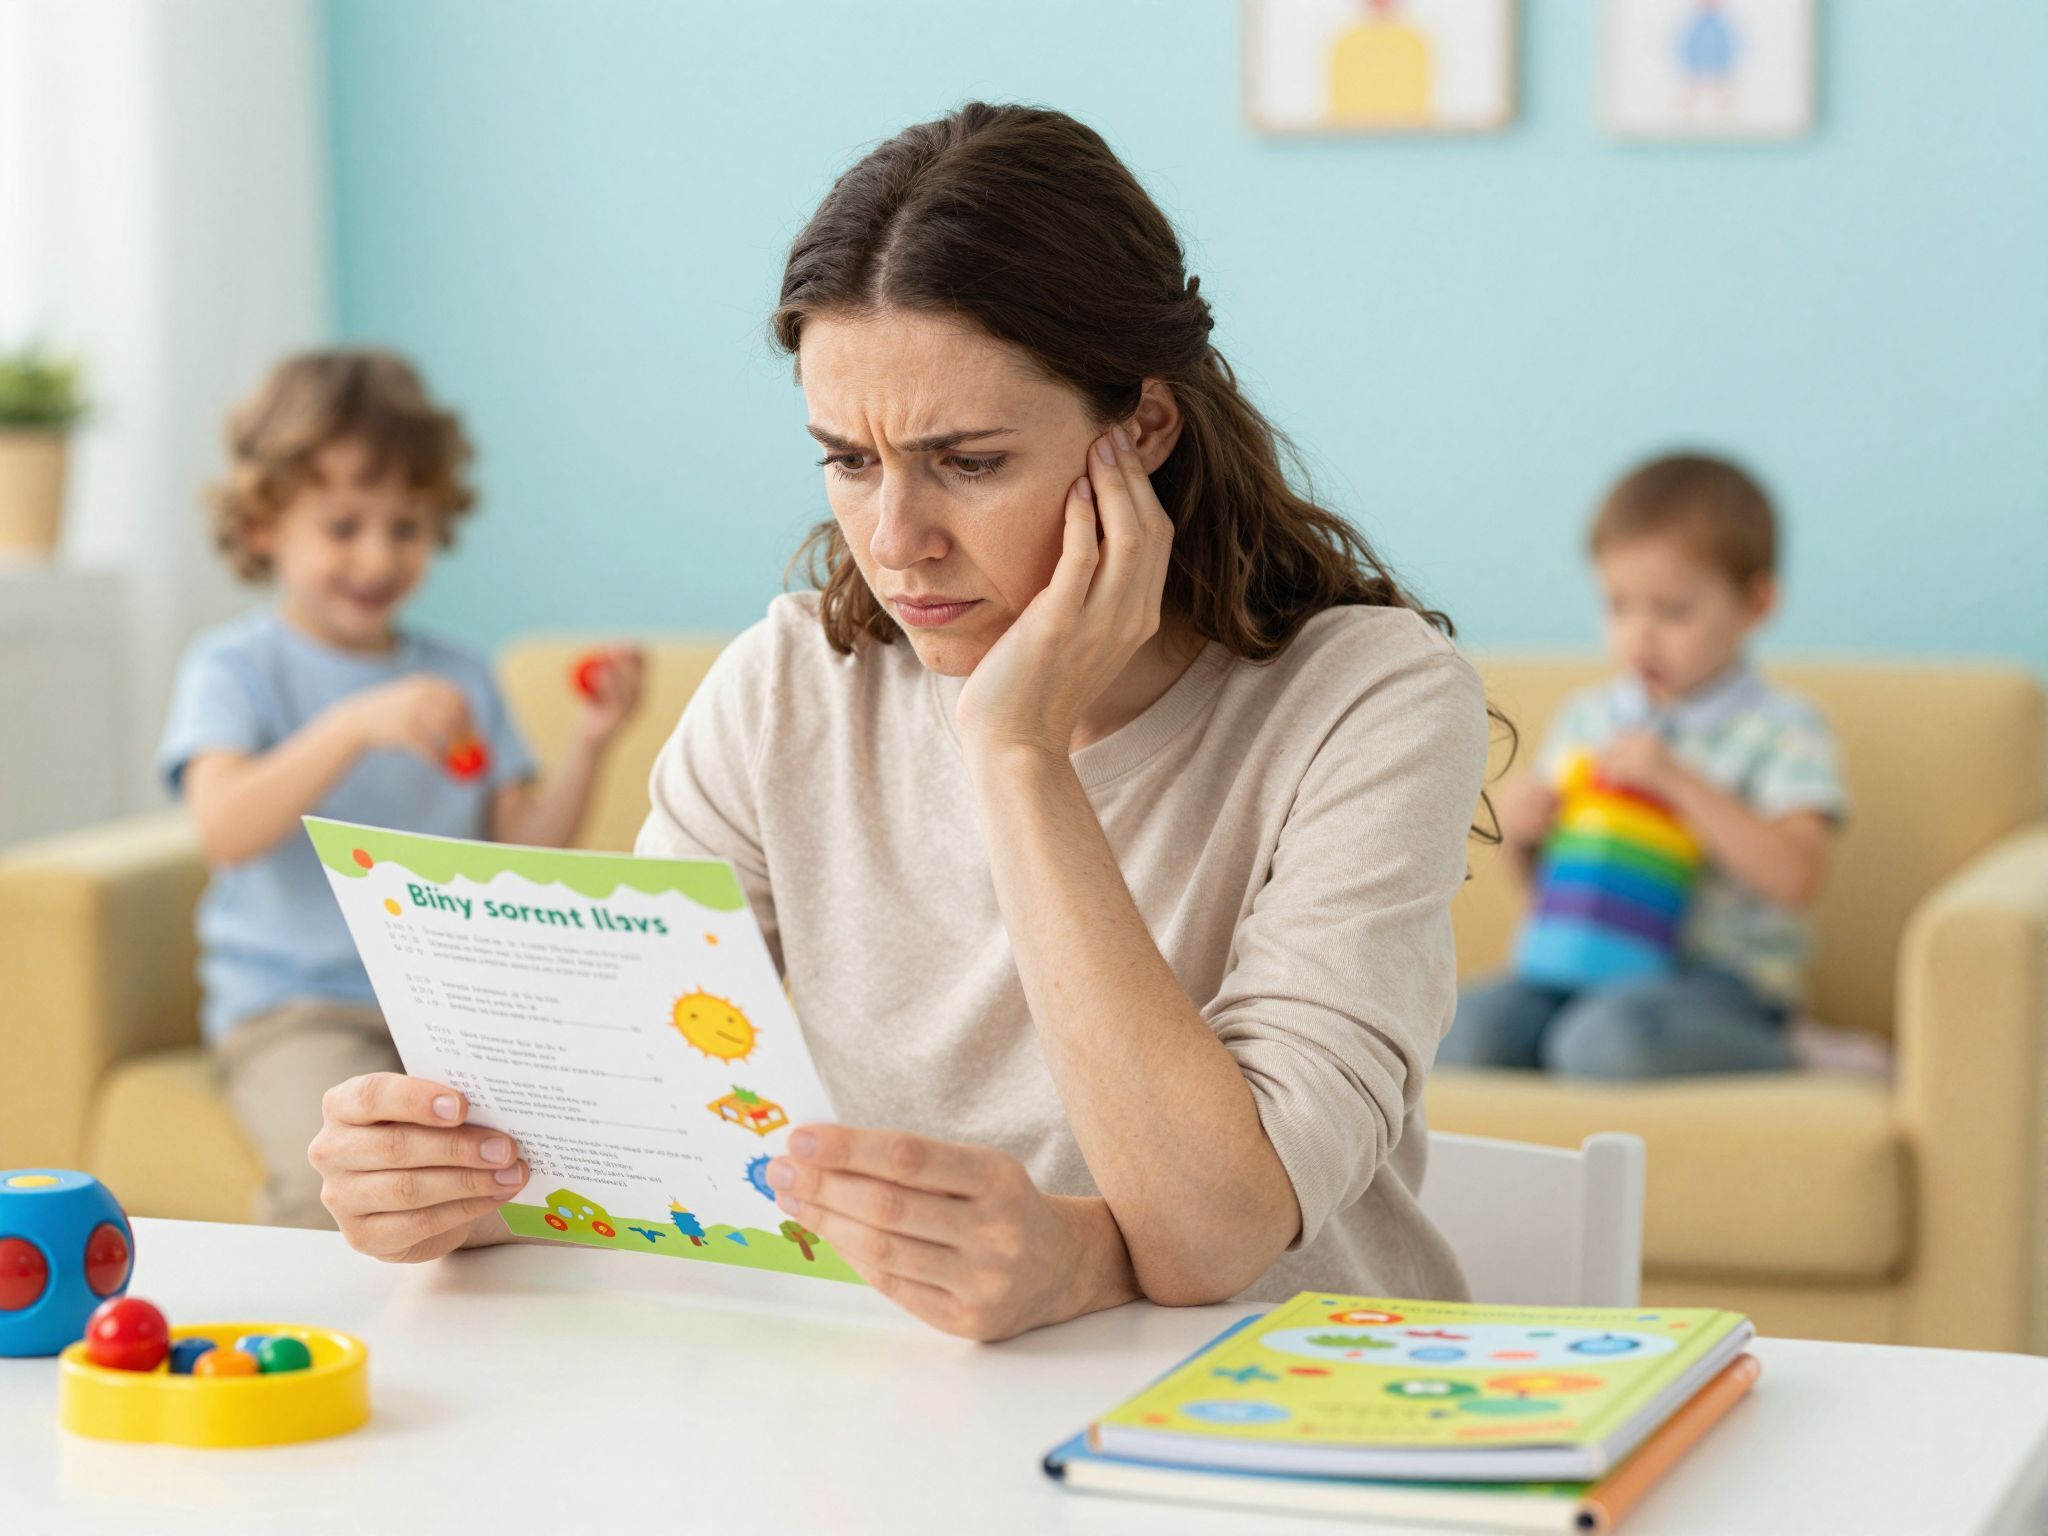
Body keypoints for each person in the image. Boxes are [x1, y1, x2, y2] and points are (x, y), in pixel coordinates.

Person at [311, 105, 1493, 1341]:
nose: (894, 542)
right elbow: (644, 1125)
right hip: (903, 1402)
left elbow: (1214, 1233)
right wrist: (456, 1184)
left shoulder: (1370, 702)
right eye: (849, 460)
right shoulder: (785, 689)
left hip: (1301, 1401)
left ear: (1141, 428)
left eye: (968, 462)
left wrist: (1016, 750)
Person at [159, 349, 644, 1228]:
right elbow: (225, 828)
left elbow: (524, 853)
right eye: (344, 527)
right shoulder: (234, 669)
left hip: (450, 1006)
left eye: (406, 527)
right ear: (264, 526)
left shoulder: (462, 676)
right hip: (298, 1010)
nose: (378, 556)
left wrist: (591, 743)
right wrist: (352, 725)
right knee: (344, 1184)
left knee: (564, 1166)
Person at [1445, 453, 1846, 1079]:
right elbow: (1545, 881)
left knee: (1606, 1043)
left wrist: (1677, 783)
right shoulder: (1588, 718)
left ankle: (1789, 1050)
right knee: (1462, 1032)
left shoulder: (1784, 727)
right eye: (1618, 606)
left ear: (1756, 603)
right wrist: (1524, 834)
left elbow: (1796, 878)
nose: (1640, 635)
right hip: (1576, 967)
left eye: (1673, 611)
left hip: (1717, 983)